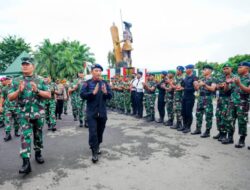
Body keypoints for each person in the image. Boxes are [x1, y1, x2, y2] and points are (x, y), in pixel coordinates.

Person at [8, 57, 51, 174]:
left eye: (27, 64)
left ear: (33, 66)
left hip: (38, 113)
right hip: (23, 114)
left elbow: (48, 95)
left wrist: (37, 90)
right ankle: (26, 162)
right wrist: (18, 91)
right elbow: (10, 97)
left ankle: (38, 153)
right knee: (25, 136)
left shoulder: (41, 80)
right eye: (23, 64)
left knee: (38, 134)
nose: (24, 66)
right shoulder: (16, 81)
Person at [80, 64, 112, 163]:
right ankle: (94, 151)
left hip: (102, 112)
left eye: (99, 71)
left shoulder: (104, 83)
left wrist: (106, 92)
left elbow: (111, 96)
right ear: (92, 72)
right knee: (93, 132)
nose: (98, 72)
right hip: (91, 112)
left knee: (100, 131)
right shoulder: (87, 83)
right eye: (96, 70)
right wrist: (92, 93)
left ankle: (97, 145)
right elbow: (82, 95)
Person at [227, 61, 250, 148]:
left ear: (247, 68)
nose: (238, 69)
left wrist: (239, 84)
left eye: (241, 67)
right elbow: (229, 89)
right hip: (233, 102)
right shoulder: (236, 77)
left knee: (242, 122)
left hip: (243, 103)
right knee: (230, 120)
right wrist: (227, 83)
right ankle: (230, 137)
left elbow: (248, 90)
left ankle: (242, 140)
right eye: (238, 67)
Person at [192, 65, 216, 138]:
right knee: (198, 114)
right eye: (203, 70)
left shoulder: (213, 79)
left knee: (208, 116)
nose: (203, 71)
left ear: (210, 71)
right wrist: (195, 84)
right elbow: (197, 89)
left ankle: (207, 131)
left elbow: (212, 89)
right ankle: (198, 129)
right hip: (200, 98)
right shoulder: (201, 79)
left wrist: (204, 84)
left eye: (205, 70)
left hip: (208, 98)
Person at [179, 65, 197, 132]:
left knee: (188, 112)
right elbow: (183, 85)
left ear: (191, 69)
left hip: (190, 97)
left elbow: (194, 89)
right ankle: (184, 125)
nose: (185, 70)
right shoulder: (186, 77)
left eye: (187, 69)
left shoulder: (194, 77)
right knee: (183, 112)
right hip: (184, 96)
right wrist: (182, 83)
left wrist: (184, 88)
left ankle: (188, 127)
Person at [1, 76, 20, 141]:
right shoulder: (4, 89)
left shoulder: (15, 87)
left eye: (9, 79)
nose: (8, 81)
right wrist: (0, 106)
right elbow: (2, 98)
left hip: (16, 107)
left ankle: (16, 132)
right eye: (7, 80)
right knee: (7, 121)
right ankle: (8, 134)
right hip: (7, 108)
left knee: (17, 121)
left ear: (11, 80)